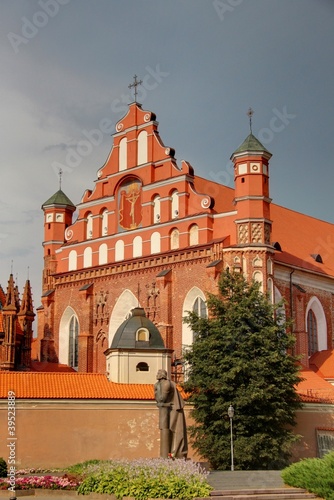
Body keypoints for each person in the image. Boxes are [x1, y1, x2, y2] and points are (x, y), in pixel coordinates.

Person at [154, 369, 188, 459]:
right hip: (168, 409)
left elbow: (162, 399)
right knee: (168, 429)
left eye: (158, 373)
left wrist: (157, 388)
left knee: (176, 431)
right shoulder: (159, 384)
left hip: (175, 409)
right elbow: (159, 400)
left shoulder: (166, 384)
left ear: (162, 375)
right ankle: (168, 455)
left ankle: (175, 454)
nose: (156, 375)